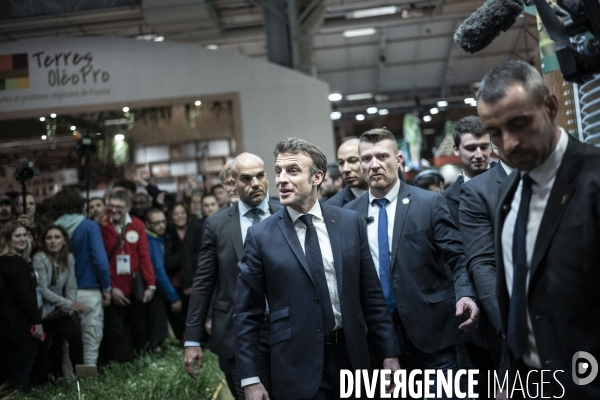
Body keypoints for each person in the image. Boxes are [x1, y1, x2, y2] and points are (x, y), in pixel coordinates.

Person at [232, 139, 401, 400]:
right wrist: (250, 378)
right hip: (296, 365)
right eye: (278, 171)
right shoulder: (260, 236)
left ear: (317, 177)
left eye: (293, 171)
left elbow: (372, 297)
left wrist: (390, 354)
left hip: (353, 358)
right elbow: (246, 313)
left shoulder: (348, 222)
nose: (282, 180)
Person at [477, 60, 600, 398]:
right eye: (495, 133)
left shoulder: (594, 179)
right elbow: (518, 295)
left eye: (519, 124)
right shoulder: (509, 190)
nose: (510, 143)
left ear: (550, 106)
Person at [344, 128, 479, 399]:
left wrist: (465, 293)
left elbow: (457, 257)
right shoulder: (348, 215)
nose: (374, 165)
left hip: (432, 336)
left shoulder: (428, 203)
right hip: (377, 342)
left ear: (399, 159)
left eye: (382, 156)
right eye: (366, 159)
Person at [184, 152, 282, 400]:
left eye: (260, 176)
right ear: (233, 184)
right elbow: (203, 283)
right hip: (238, 332)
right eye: (246, 178)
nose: (255, 183)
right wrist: (192, 339)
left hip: (284, 328)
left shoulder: (286, 215)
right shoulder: (217, 224)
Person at [459, 152, 513, 398]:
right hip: (510, 322)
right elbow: (482, 262)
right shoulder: (478, 190)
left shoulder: (568, 174)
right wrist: (510, 325)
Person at [54, 188, 111, 366]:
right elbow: (100, 261)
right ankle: (87, 385)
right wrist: (106, 287)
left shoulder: (53, 230)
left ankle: (70, 384)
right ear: (80, 205)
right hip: (88, 290)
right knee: (90, 342)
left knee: (67, 342)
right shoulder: (89, 226)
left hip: (62, 293)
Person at [99, 190, 156, 363]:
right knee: (114, 331)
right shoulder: (102, 224)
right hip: (114, 289)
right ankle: (115, 368)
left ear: (128, 207)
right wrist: (110, 287)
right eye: (111, 206)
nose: (114, 210)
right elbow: (100, 260)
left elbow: (144, 255)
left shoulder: (137, 224)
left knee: (139, 329)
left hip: (135, 286)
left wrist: (151, 284)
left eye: (119, 207)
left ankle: (141, 365)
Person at [31, 224, 84, 384]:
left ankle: (81, 379)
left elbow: (71, 285)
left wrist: (67, 308)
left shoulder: (69, 258)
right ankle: (41, 384)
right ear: (44, 242)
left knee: (75, 335)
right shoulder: (39, 258)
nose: (53, 241)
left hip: (60, 312)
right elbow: (43, 289)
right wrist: (68, 304)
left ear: (64, 241)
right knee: (42, 347)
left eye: (57, 237)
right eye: (49, 238)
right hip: (42, 314)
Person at [0, 221, 42, 393]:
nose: (23, 239)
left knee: (7, 378)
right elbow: (24, 297)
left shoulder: (3, 261)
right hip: (20, 328)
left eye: (25, 235)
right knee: (20, 378)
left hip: (6, 327)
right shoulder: (16, 263)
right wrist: (37, 321)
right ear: (8, 239)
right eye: (18, 235)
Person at [442, 116, 491, 225]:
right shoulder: (445, 200)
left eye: (484, 147)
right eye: (471, 148)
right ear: (456, 149)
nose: (479, 154)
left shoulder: (509, 183)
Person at [145, 209, 182, 348]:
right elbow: (159, 271)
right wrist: (173, 297)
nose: (161, 226)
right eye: (156, 223)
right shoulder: (151, 241)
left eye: (163, 222)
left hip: (156, 289)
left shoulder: (157, 238)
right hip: (154, 290)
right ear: (148, 223)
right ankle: (155, 354)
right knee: (157, 326)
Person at [325, 139, 369, 207]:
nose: (345, 169)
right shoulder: (332, 207)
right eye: (341, 163)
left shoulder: (385, 193)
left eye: (353, 161)